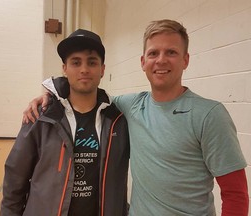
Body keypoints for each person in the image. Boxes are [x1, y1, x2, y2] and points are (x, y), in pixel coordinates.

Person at [22, 19, 249, 215]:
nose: (161, 60)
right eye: (153, 53)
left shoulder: (209, 114)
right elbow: (86, 94)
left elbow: (236, 194)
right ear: (143, 62)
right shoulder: (129, 105)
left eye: (171, 52)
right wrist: (51, 95)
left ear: (186, 60)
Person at [1, 29, 130, 216]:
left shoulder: (119, 120)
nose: (84, 69)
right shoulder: (41, 116)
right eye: (76, 62)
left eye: (92, 62)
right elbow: (15, 179)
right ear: (65, 69)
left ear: (102, 69)